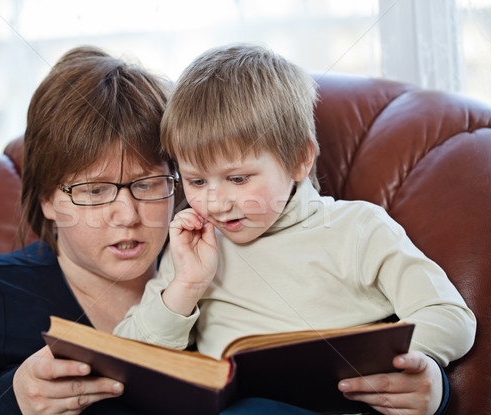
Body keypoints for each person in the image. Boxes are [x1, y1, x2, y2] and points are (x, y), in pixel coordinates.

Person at [0, 45, 335, 415]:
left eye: (147, 184)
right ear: (47, 197)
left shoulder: (227, 263)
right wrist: (11, 401)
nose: (127, 214)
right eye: (94, 191)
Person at [114, 44, 477, 415]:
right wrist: (185, 287)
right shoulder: (193, 248)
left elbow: (450, 317)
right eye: (196, 181)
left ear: (300, 160)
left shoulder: (357, 228)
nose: (215, 203)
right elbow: (127, 356)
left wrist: (413, 365)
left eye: (238, 178)